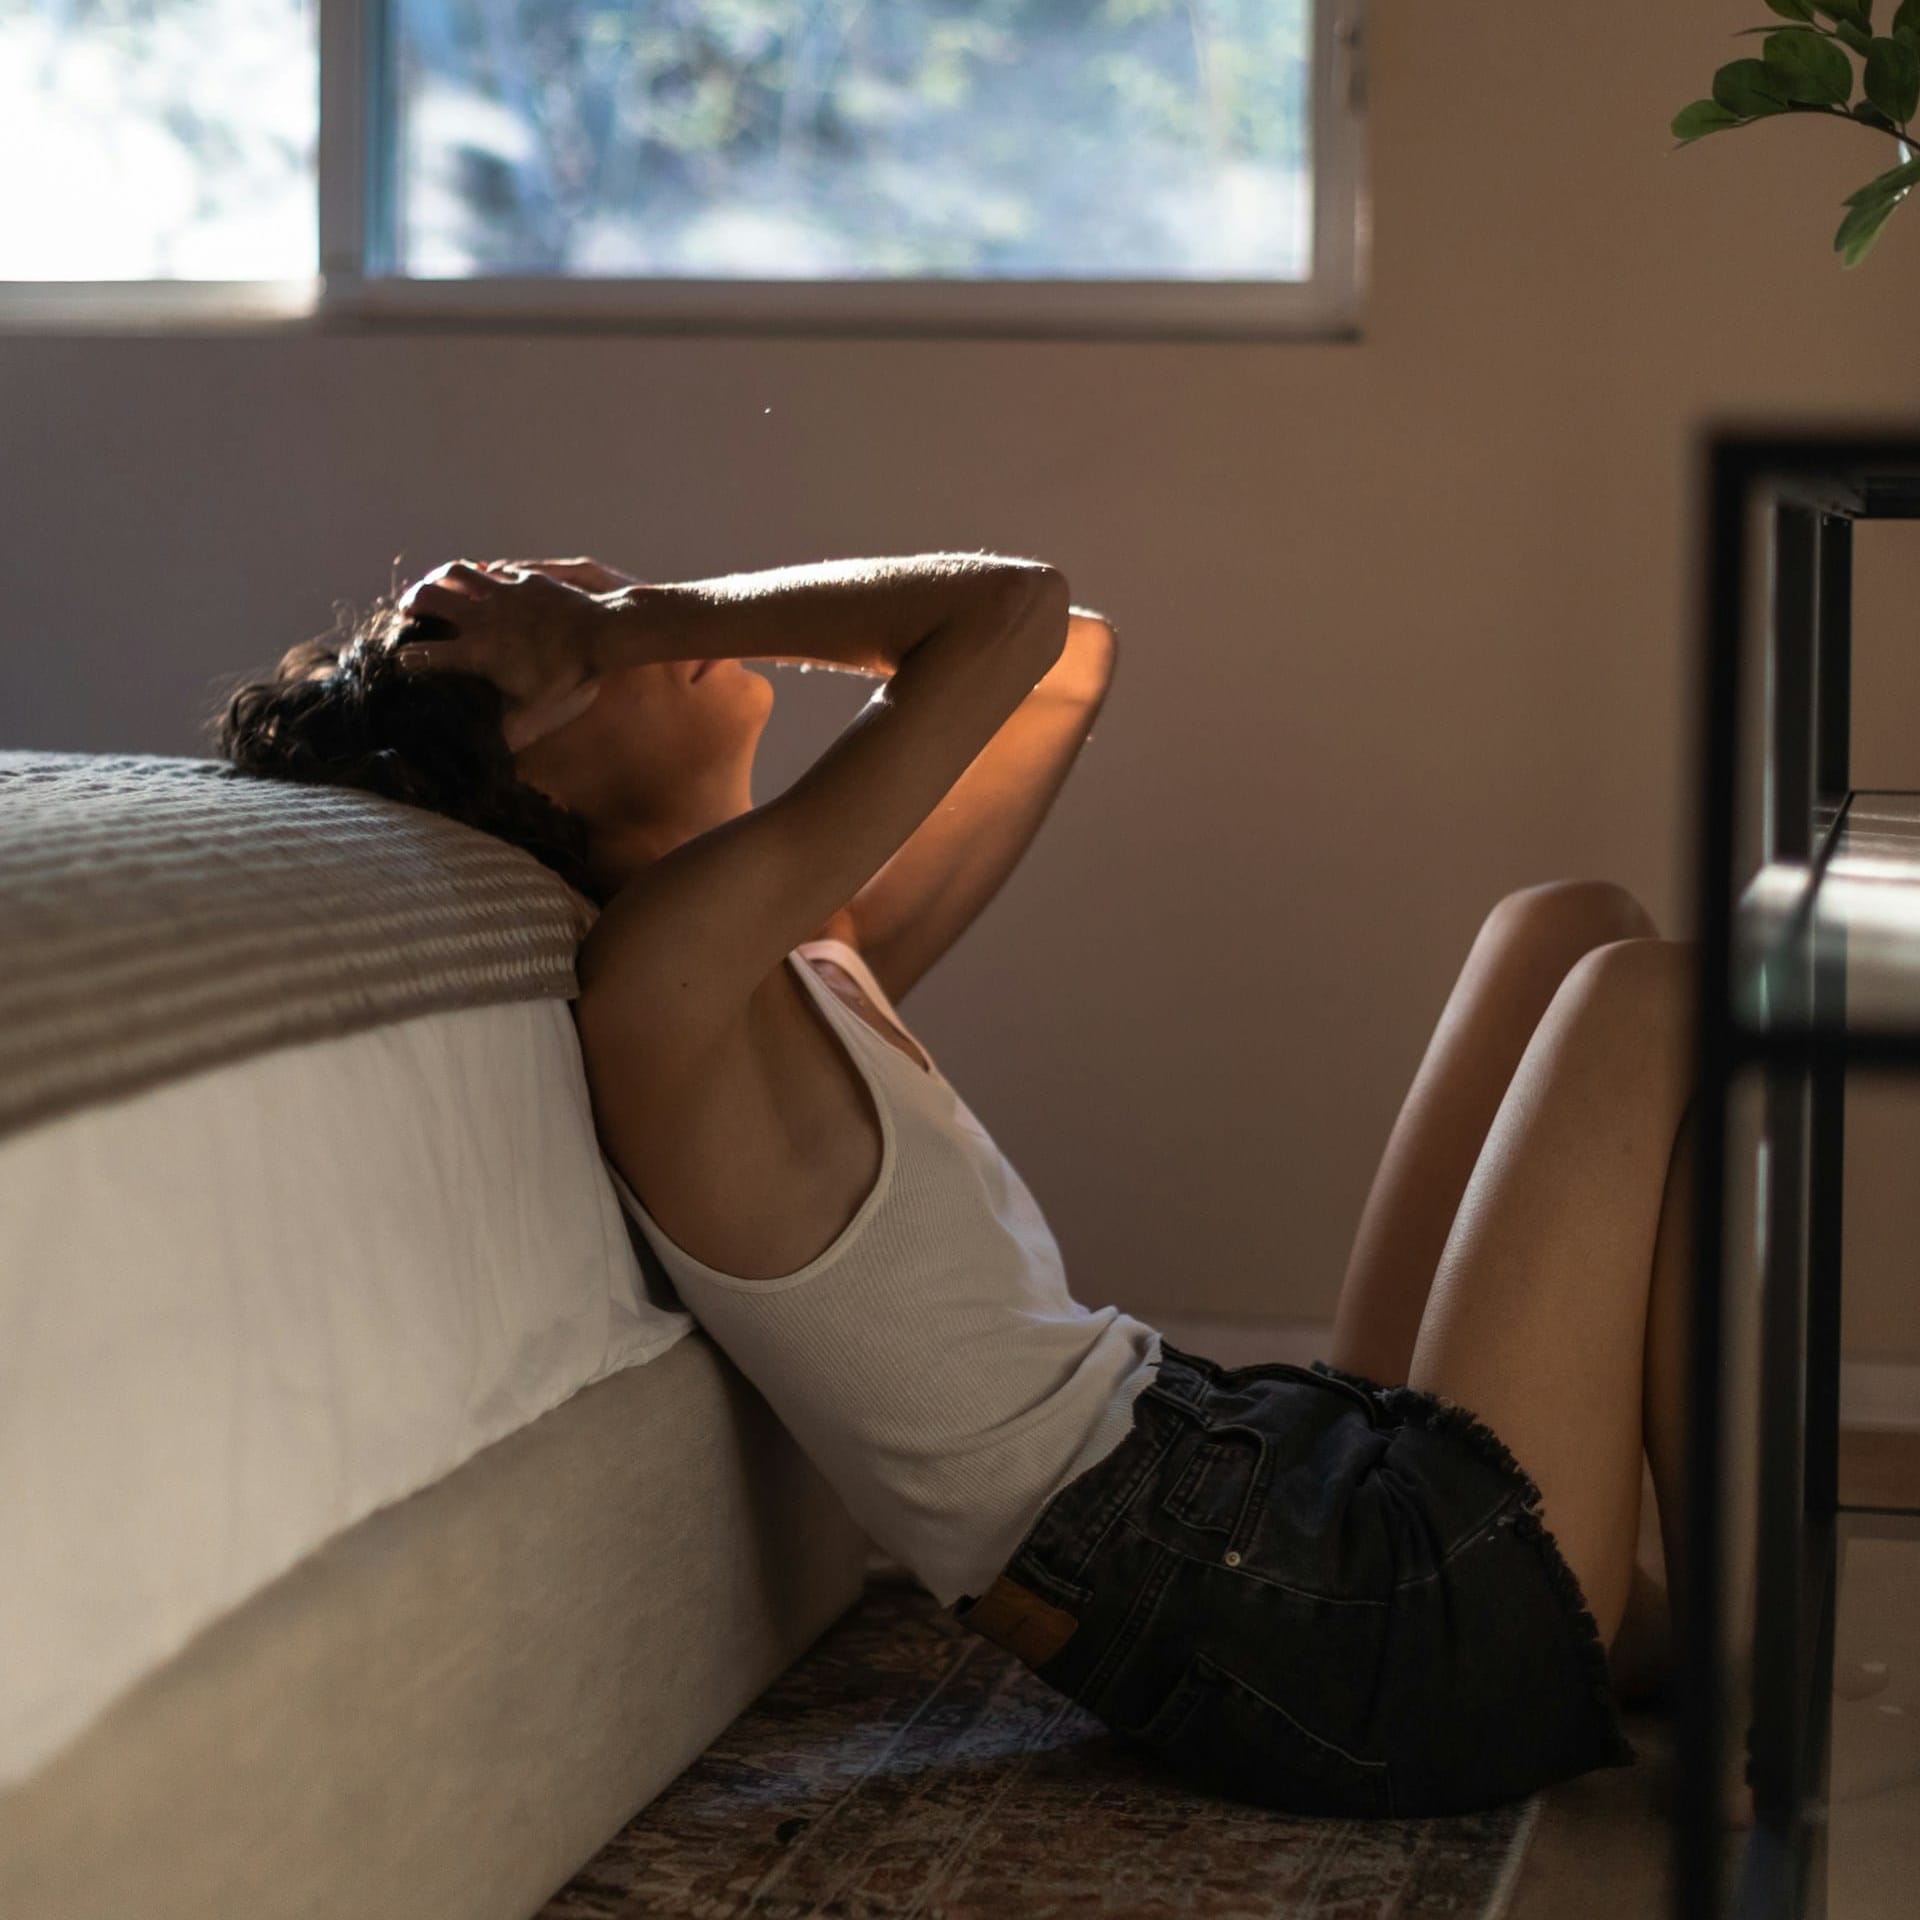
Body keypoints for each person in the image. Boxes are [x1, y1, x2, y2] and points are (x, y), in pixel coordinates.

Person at [213, 550, 1736, 1822]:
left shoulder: (798, 941)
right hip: (1298, 1617)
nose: (619, 594)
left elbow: (1060, 651)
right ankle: (1744, 1657)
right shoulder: (663, 986)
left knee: (1569, 922)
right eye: (570, 622)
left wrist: (627, 628)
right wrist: (644, 622)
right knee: (1652, 992)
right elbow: (1003, 608)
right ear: (530, 757)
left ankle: (1610, 1634)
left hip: (1262, 1492)